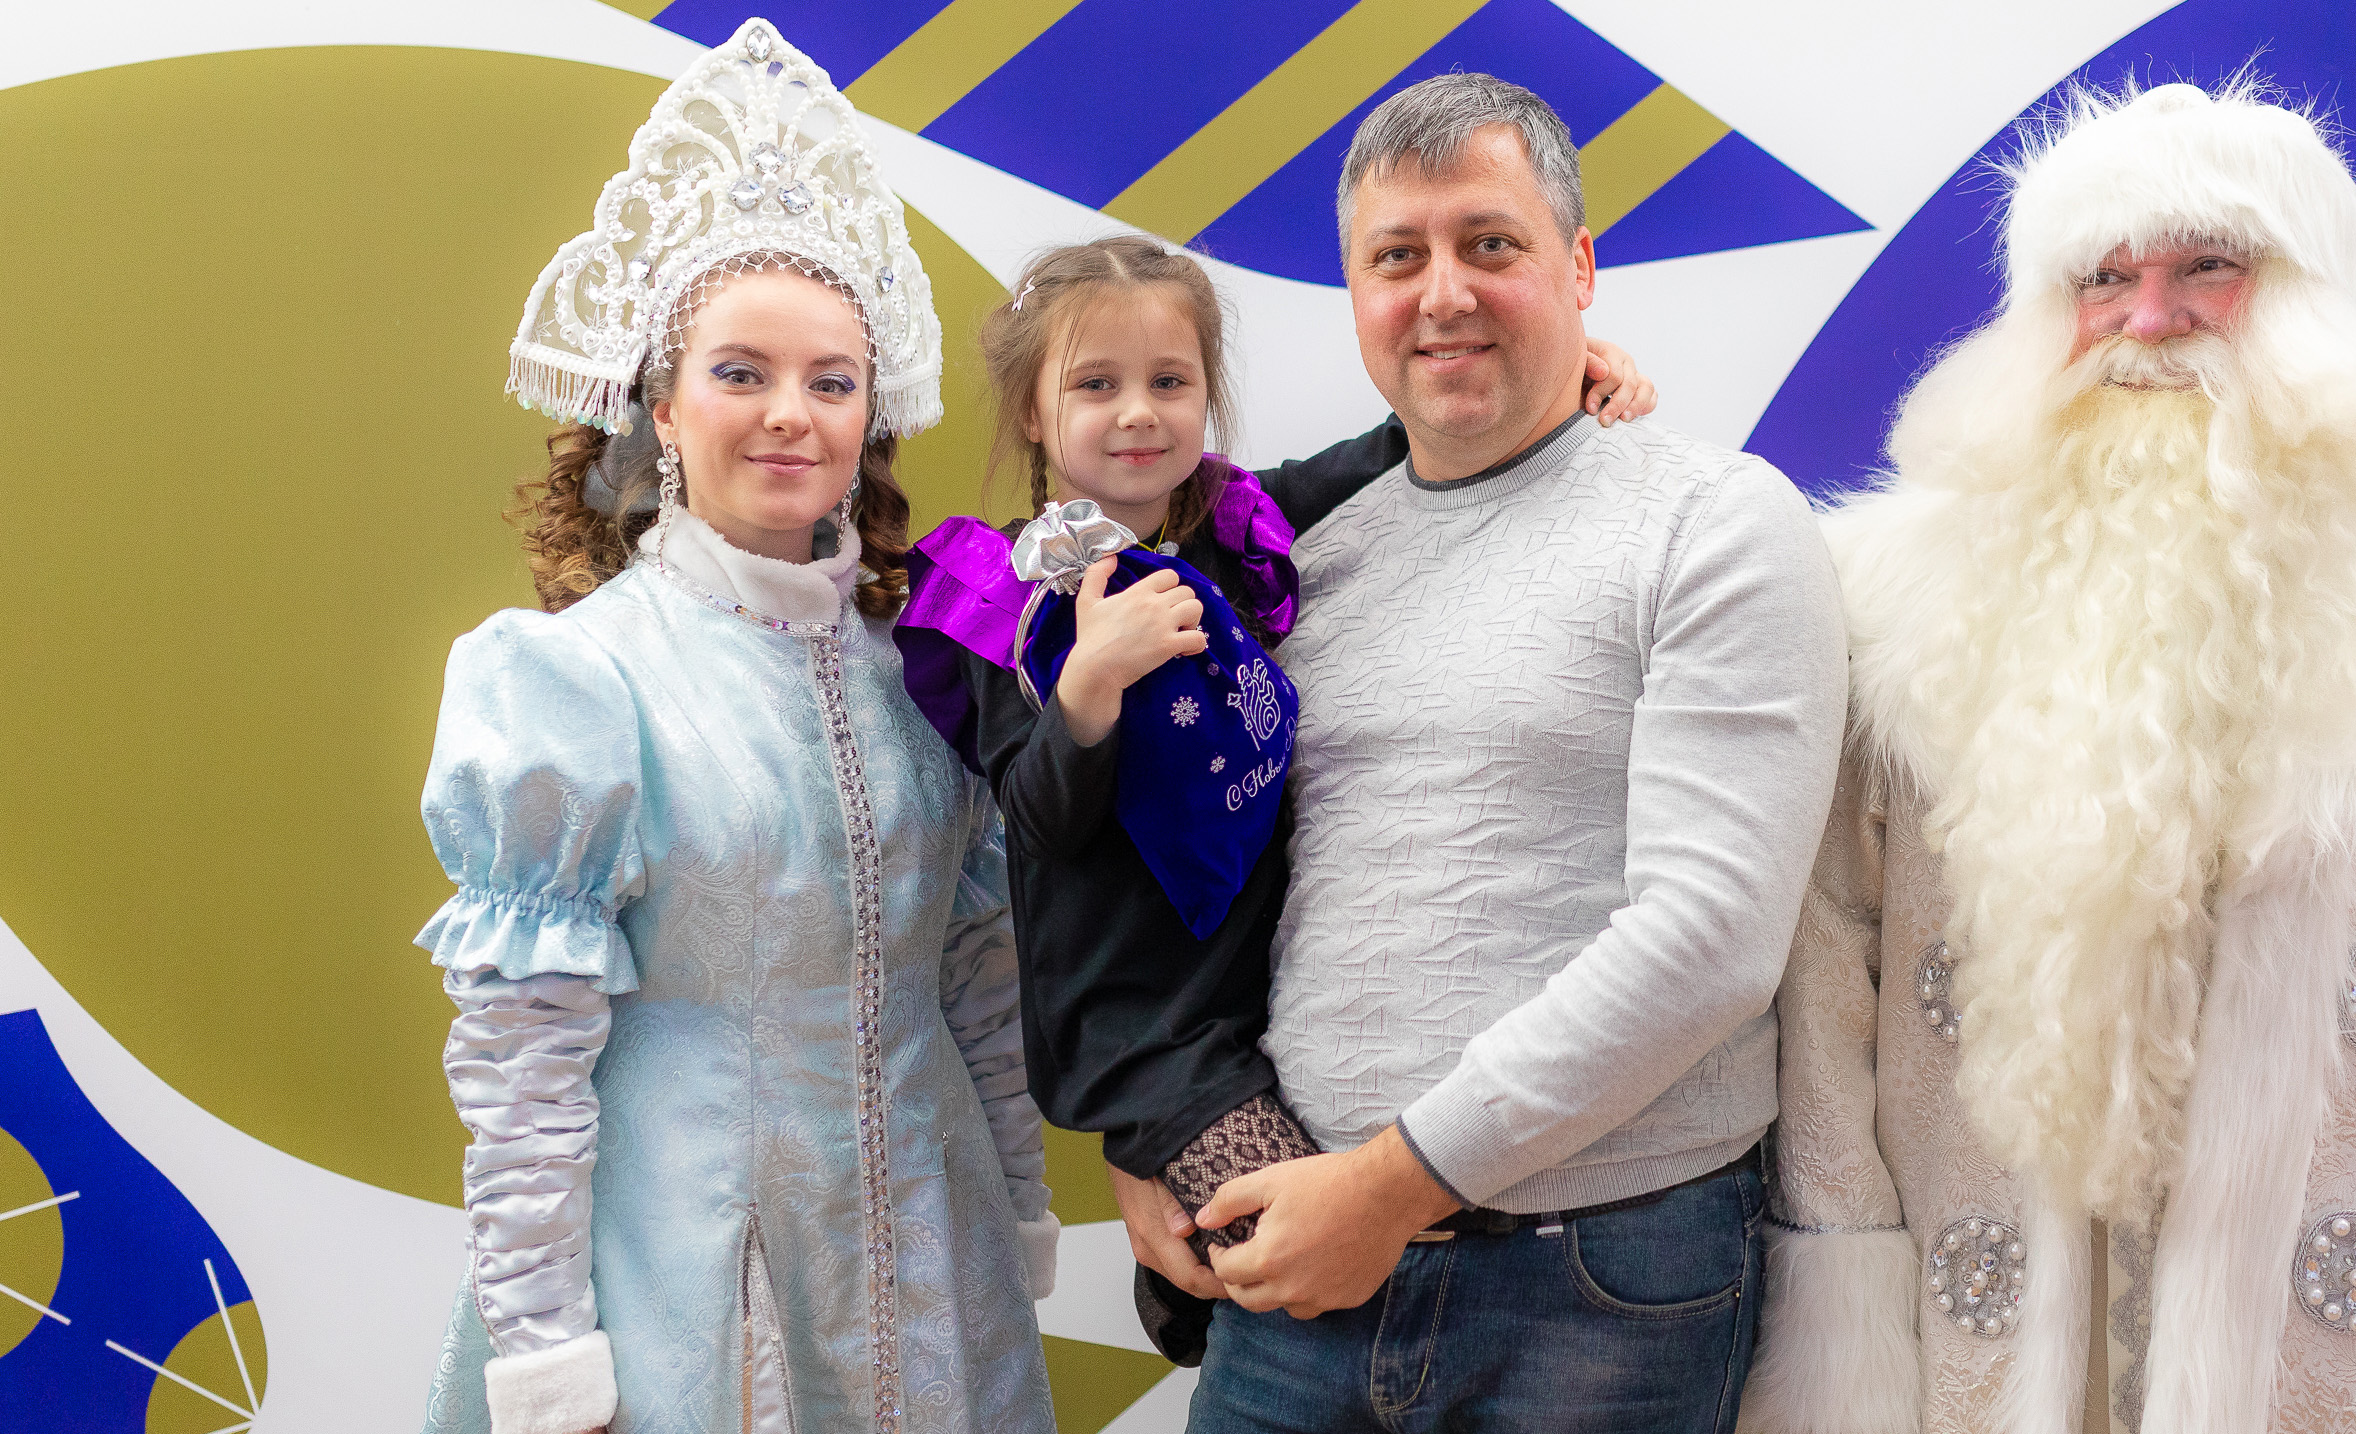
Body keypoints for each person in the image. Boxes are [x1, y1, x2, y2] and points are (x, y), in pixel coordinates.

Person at [1740, 81, 2356, 1434]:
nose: (2147, 323)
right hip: (1996, 1346)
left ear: (2312, 300)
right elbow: (1826, 982)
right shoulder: (1894, 604)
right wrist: (1844, 1294)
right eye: (2103, 279)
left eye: (2207, 267)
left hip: (2336, 1349)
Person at [1111, 73, 1849, 1433]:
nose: (1441, 293)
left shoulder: (1717, 523)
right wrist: (1146, 1135)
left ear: (1580, 266)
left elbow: (1709, 936)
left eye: (1488, 243)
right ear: (1355, 294)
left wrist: (1391, 1186)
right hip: (1297, 1270)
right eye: (1397, 257)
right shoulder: (1295, 566)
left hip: (1599, 1283)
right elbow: (1170, 892)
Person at [413, 21, 1050, 1434]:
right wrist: (545, 1348)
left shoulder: (924, 673)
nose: (789, 416)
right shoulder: (579, 678)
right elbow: (523, 1066)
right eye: (740, 372)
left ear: (871, 413)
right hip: (687, 1294)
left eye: (831, 379)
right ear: (663, 402)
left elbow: (974, 975)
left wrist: (1016, 1205)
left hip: (937, 1276)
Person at [888, 234, 1652, 1364]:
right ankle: (1194, 1295)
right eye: (1095, 385)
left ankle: (1198, 1284)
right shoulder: (1005, 595)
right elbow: (1041, 823)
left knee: (1351, 1230)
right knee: (1320, 1260)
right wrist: (1091, 682)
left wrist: (1563, 371)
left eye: (1170, 380)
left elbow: (1394, 448)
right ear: (1035, 415)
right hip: (1143, 1028)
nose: (1138, 413)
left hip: (1267, 995)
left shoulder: (1231, 530)